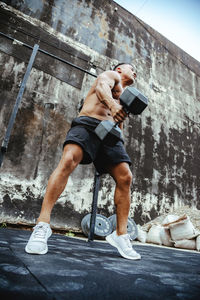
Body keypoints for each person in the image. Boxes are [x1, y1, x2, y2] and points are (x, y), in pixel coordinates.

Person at [25, 63, 141, 260]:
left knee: (125, 177)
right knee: (69, 160)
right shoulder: (111, 75)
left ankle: (121, 235)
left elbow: (120, 121)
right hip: (88, 123)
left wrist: (119, 125)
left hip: (110, 135)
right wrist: (113, 105)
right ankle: (42, 225)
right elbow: (101, 87)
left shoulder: (126, 95)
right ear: (120, 70)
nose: (135, 72)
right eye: (131, 68)